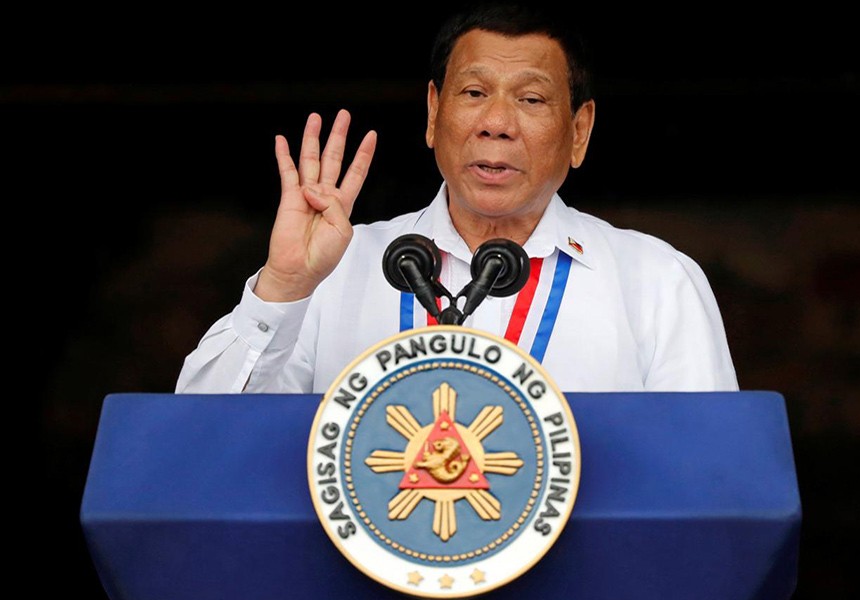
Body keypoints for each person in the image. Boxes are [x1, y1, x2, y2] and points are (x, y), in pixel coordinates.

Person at [176, 2, 739, 395]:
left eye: (532, 99)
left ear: (579, 131)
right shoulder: (339, 266)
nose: (496, 123)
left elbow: (710, 484)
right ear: (432, 113)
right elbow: (198, 446)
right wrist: (283, 287)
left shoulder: (656, 281)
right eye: (473, 93)